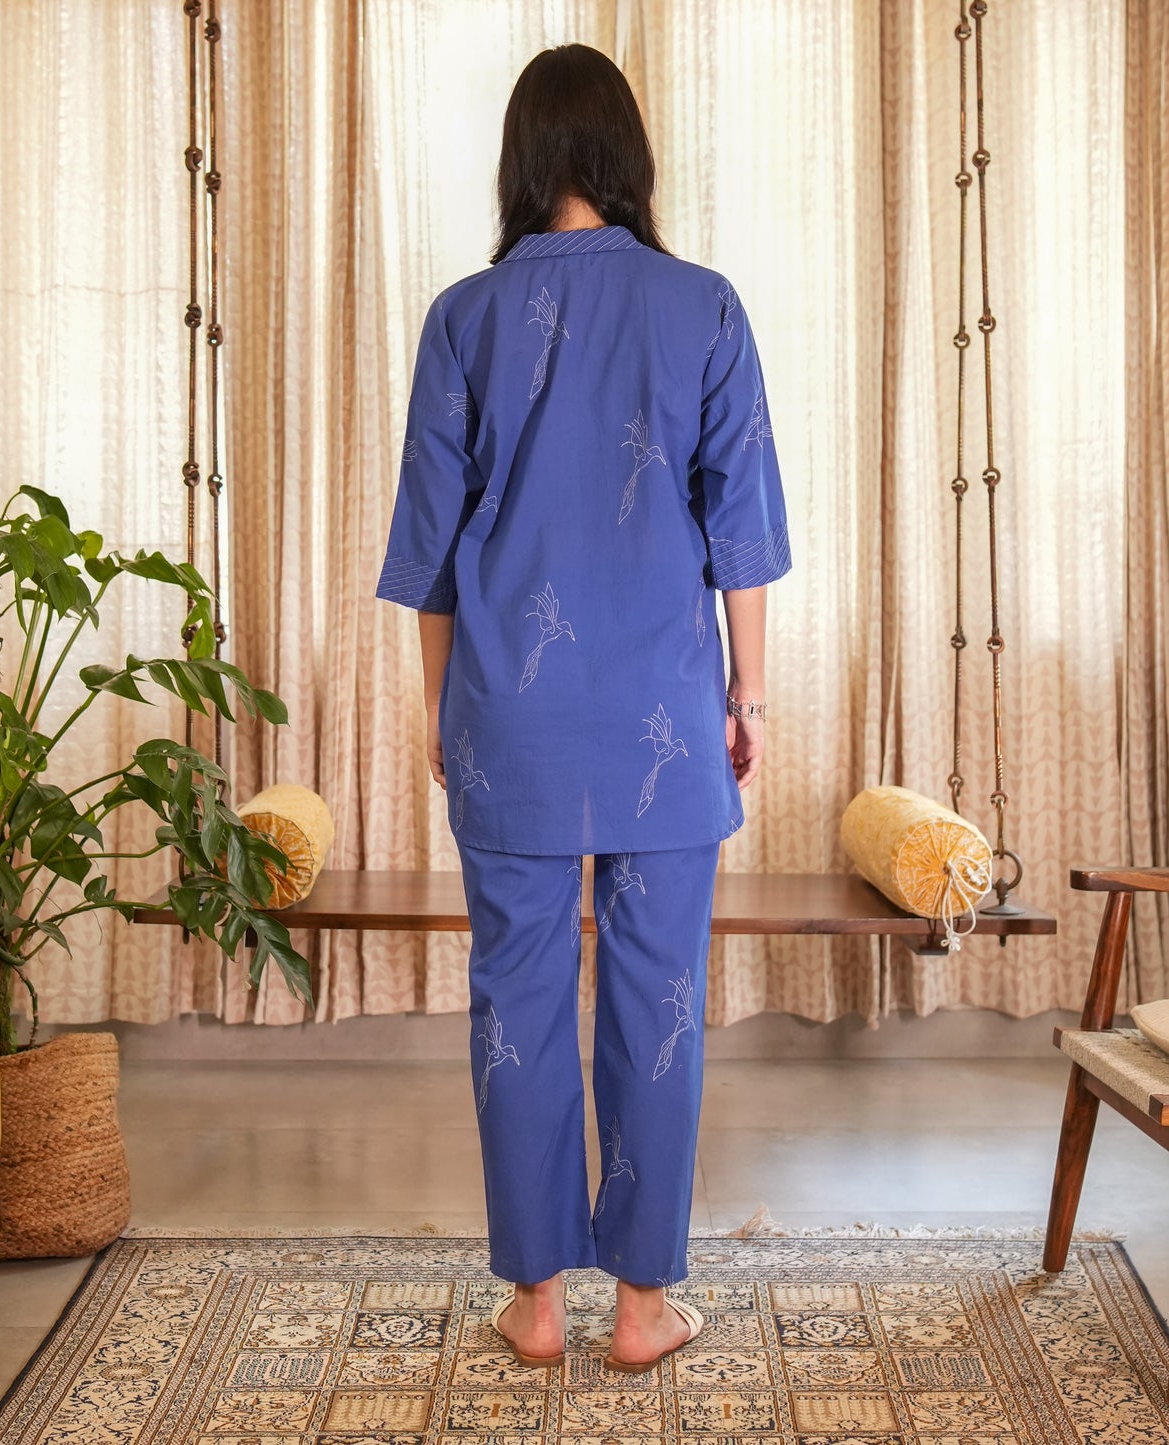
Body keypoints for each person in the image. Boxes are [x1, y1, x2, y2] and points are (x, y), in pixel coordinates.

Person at [375, 42, 788, 1373]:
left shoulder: (462, 317)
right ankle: (644, 1306)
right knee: (658, 1000)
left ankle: (539, 1300)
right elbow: (743, 531)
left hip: (513, 719)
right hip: (667, 717)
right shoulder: (705, 307)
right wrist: (751, 695)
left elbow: (431, 559)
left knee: (516, 1001)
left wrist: (444, 716)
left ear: (521, 161)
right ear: (624, 158)